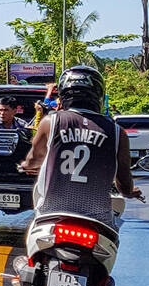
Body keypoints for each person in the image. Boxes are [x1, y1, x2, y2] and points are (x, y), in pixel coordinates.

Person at [19, 65, 142, 223]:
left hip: (52, 214)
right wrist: (130, 191)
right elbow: (124, 185)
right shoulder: (118, 133)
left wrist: (26, 167)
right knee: (112, 238)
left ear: (63, 94)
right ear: (98, 95)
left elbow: (33, 160)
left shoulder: (51, 122)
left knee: (35, 241)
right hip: (97, 219)